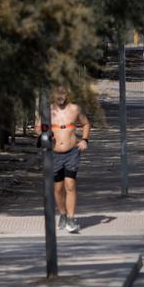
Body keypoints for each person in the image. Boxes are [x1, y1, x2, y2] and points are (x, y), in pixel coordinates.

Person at [48, 87, 91, 233]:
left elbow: (86, 124)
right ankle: (63, 214)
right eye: (57, 93)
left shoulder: (75, 109)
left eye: (63, 93)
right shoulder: (48, 111)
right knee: (58, 188)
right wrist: (45, 133)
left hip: (72, 152)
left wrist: (85, 140)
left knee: (70, 185)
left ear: (67, 93)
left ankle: (72, 219)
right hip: (54, 154)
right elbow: (37, 127)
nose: (60, 96)